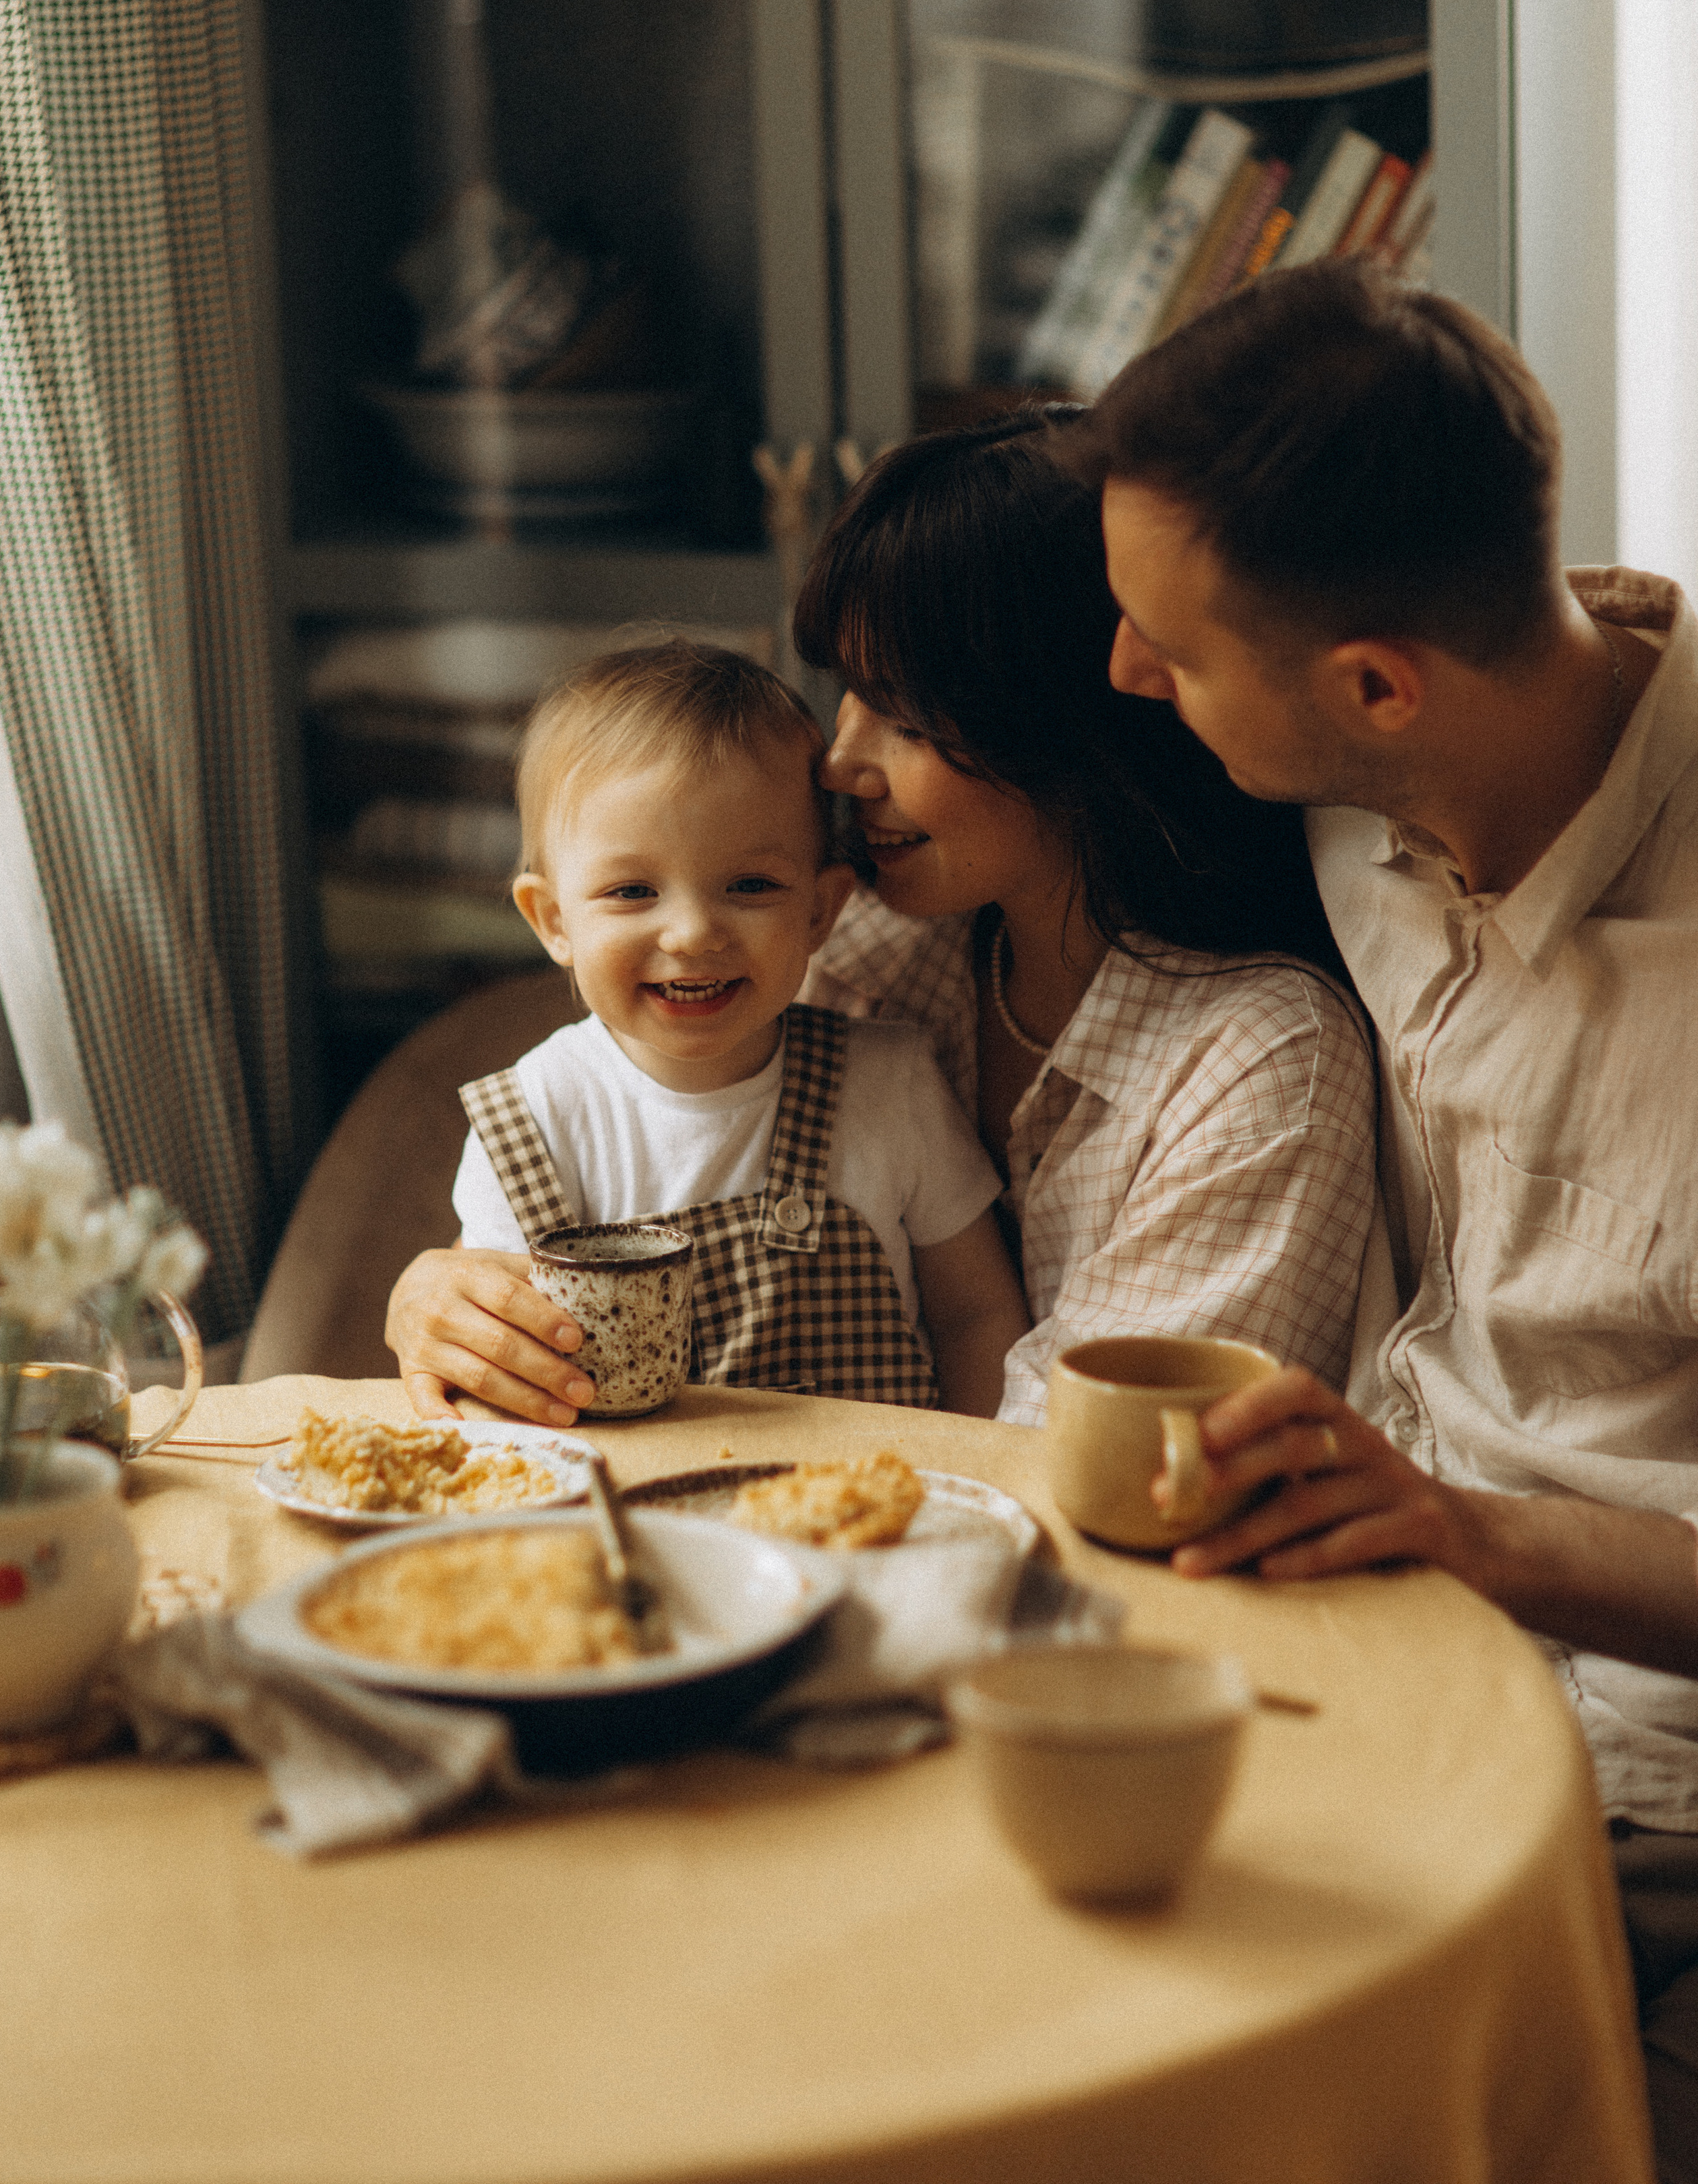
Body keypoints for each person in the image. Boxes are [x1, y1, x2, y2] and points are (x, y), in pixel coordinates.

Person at [1081, 255, 1698, 2168]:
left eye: (1168, 652)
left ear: (1370, 685)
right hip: (1351, 1666)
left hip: (1643, 1783)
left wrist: (1458, 1529)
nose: (1127, 677)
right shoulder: (1366, 771)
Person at [789, 417, 1381, 1423]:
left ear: (1063, 725)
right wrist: (457, 1288)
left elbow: (1083, 1462)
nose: (839, 763)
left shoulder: (1260, 1061)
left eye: (903, 715)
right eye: (847, 696)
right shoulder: (871, 950)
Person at [386, 640, 1028, 1419]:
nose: (691, 933)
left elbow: (976, 1318)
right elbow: (483, 1353)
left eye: (750, 885)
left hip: (868, 1523)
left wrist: (984, 1478)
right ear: (553, 920)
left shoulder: (891, 1086)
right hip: (626, 1524)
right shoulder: (531, 1120)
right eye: (632, 891)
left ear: (822, 909)